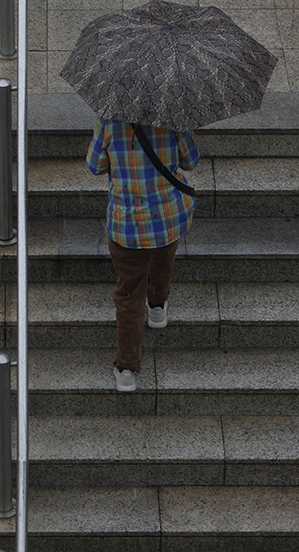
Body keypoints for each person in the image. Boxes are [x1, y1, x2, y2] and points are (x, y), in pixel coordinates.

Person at [87, 116, 199, 393]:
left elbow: (95, 165)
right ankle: (158, 306)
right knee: (163, 260)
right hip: (167, 216)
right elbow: (191, 161)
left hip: (126, 223)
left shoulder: (109, 121)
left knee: (128, 293)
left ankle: (126, 367)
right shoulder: (175, 117)